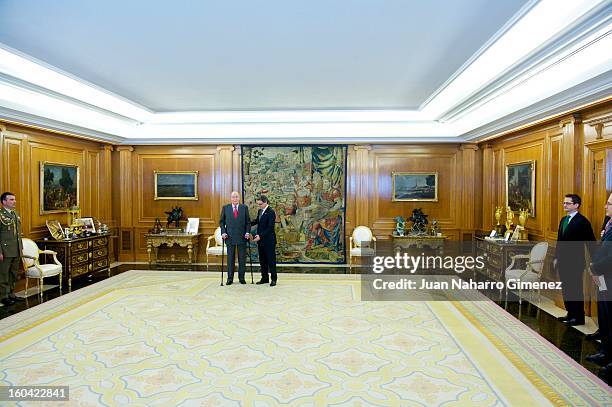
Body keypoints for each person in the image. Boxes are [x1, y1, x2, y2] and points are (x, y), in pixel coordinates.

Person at [555, 194, 595, 326]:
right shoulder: (563, 220)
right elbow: (559, 241)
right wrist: (556, 257)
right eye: (564, 203)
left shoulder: (583, 222)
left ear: (576, 205)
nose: (564, 205)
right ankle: (570, 313)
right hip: (562, 262)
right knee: (566, 288)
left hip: (575, 263)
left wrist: (595, 261)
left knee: (575, 289)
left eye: (567, 203)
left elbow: (591, 243)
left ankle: (578, 317)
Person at [586, 193, 612, 382]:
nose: (605, 206)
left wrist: (595, 267)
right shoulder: (608, 224)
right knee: (604, 315)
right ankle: (605, 351)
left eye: (609, 204)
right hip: (602, 277)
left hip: (609, 277)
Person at [219, 191, 251, 285]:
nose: (235, 199)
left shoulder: (244, 208)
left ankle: (242, 278)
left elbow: (248, 222)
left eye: (236, 197)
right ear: (231, 198)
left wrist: (247, 232)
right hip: (229, 237)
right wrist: (223, 232)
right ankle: (230, 278)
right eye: (233, 197)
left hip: (242, 237)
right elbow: (221, 222)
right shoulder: (226, 208)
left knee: (242, 259)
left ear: (239, 198)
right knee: (230, 259)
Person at [0, 192, 23, 306]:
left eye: (14, 199)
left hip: (16, 249)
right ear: (4, 201)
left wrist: (20, 248)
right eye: (11, 200)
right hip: (5, 250)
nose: (14, 201)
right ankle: (3, 296)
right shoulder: (1, 215)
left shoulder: (15, 213)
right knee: (3, 274)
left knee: (13, 273)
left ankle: (11, 293)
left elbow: (18, 233)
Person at [251, 195, 277, 286]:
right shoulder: (260, 211)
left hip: (269, 241)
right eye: (258, 204)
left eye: (260, 204)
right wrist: (246, 224)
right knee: (262, 261)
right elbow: (257, 221)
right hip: (261, 241)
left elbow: (270, 228)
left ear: (265, 202)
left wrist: (260, 236)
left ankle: (273, 279)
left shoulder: (271, 212)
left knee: (271, 261)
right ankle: (264, 278)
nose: (259, 206)